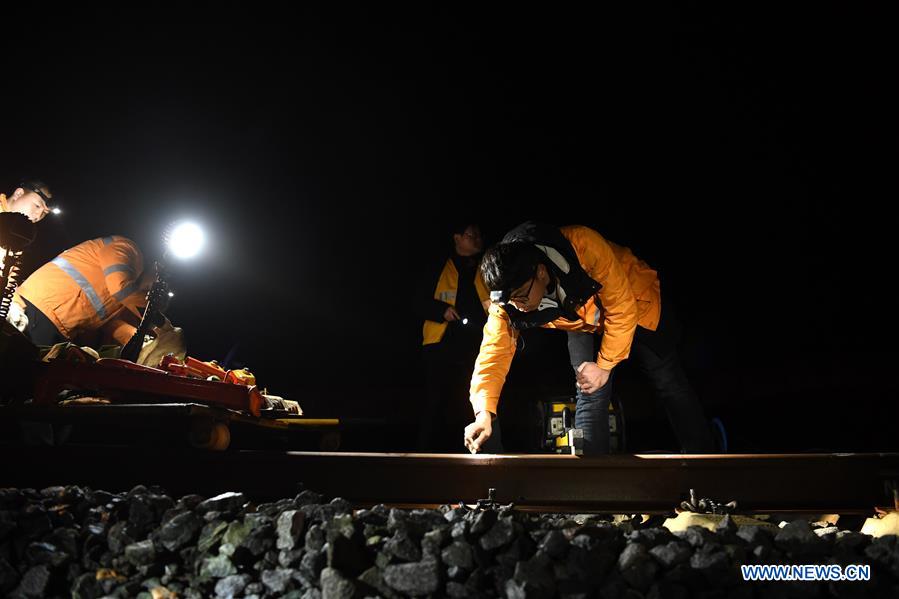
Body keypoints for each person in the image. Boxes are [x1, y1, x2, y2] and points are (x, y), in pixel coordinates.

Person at [463, 222, 716, 455]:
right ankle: (596, 473)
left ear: (540, 272)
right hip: (581, 318)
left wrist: (605, 365)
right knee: (589, 389)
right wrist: (483, 412)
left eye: (521, 296)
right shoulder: (508, 301)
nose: (517, 307)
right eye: (510, 301)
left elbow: (621, 307)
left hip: (635, 301)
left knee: (667, 381)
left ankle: (703, 459)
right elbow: (492, 353)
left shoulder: (585, 245)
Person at [12, 235, 184, 363]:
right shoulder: (126, 249)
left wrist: (154, 346)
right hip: (40, 306)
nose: (150, 291)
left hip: (56, 322)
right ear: (156, 268)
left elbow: (117, 327)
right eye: (155, 286)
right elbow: (121, 288)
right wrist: (159, 318)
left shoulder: (124, 301)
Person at [413, 222, 493, 452]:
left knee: (470, 403)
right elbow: (417, 302)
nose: (477, 239)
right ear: (457, 237)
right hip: (440, 345)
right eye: (471, 234)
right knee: (436, 402)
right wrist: (441, 311)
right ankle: (426, 456)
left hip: (476, 346)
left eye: (479, 234)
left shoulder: (485, 267)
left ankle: (468, 454)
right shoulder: (438, 266)